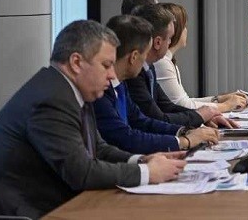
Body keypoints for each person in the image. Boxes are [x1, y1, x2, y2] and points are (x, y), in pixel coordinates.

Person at [0, 20, 186, 218]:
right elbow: (80, 172)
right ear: (76, 62)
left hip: (46, 203)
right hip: (15, 211)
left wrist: (141, 160)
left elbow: (98, 149)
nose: (112, 75)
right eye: (106, 65)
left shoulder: (72, 91)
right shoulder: (51, 99)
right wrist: (147, 173)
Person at [93, 15, 220, 154]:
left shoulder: (120, 84)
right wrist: (184, 141)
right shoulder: (100, 91)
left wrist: (184, 131)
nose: (145, 63)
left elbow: (141, 121)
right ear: (134, 57)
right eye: (145, 55)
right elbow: (125, 137)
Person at [125, 3, 236, 128]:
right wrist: (201, 117)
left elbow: (167, 106)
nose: (170, 42)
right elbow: (157, 118)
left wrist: (202, 118)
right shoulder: (136, 73)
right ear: (157, 42)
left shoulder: (149, 68)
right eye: (169, 38)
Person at [154, 2, 248, 111]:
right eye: (184, 26)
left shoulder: (168, 61)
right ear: (174, 30)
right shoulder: (162, 63)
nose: (186, 31)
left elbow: (185, 101)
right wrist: (226, 106)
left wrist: (218, 99)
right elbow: (183, 105)